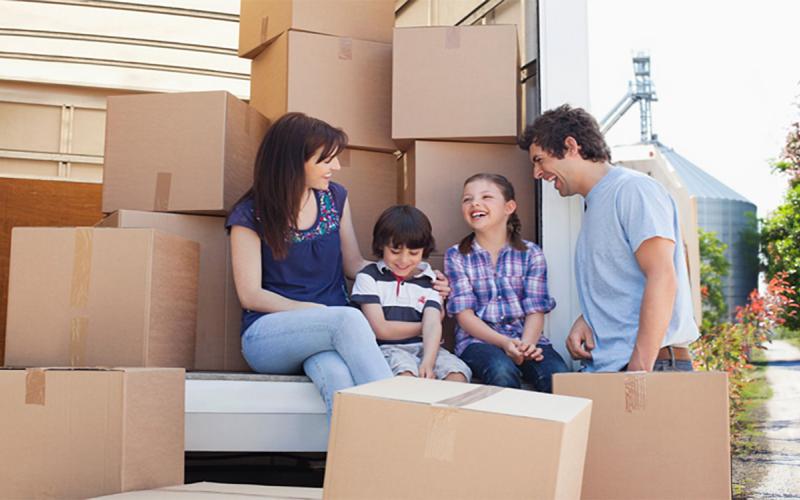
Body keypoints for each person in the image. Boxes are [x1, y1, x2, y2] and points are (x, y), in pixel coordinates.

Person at [226, 112, 394, 420]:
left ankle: (357, 451)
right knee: (347, 319)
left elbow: (353, 264)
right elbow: (250, 295)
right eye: (325, 160)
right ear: (294, 162)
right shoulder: (249, 215)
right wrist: (315, 311)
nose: (336, 167)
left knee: (338, 377)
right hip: (269, 335)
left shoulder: (335, 198)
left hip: (329, 332)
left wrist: (409, 276)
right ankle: (402, 421)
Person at [518, 104, 699, 372]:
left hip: (649, 368)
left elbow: (662, 277)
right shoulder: (595, 205)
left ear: (570, 146)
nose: (537, 173)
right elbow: (626, 284)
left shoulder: (632, 190)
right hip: (614, 370)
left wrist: (638, 372)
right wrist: (590, 318)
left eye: (539, 160)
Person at [445, 173, 568, 392]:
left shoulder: (531, 253)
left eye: (486, 197)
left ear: (509, 207)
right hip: (478, 342)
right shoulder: (456, 256)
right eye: (467, 199)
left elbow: (536, 309)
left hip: (527, 338)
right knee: (501, 370)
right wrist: (504, 343)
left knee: (557, 375)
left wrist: (526, 345)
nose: (475, 203)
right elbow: (464, 316)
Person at [351, 205, 471, 382]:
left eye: (413, 253)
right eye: (395, 251)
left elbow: (433, 321)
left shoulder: (432, 281)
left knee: (456, 374)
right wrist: (426, 328)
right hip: (386, 350)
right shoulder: (368, 278)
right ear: (381, 245)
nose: (403, 260)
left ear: (424, 250)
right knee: (405, 375)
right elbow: (380, 329)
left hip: (427, 348)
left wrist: (428, 363)